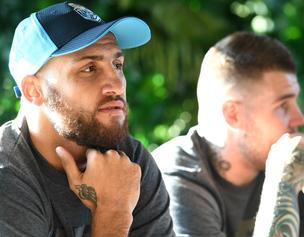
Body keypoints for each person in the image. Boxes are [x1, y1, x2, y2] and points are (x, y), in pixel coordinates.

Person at [0, 2, 174, 236]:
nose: (117, 85)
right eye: (89, 68)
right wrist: (113, 215)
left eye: (117, 65)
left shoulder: (129, 161)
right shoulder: (8, 178)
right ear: (33, 90)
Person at [152, 32, 304, 237]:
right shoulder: (175, 177)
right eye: (283, 105)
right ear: (233, 114)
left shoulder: (291, 165)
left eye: (295, 102)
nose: (300, 118)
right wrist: (282, 183)